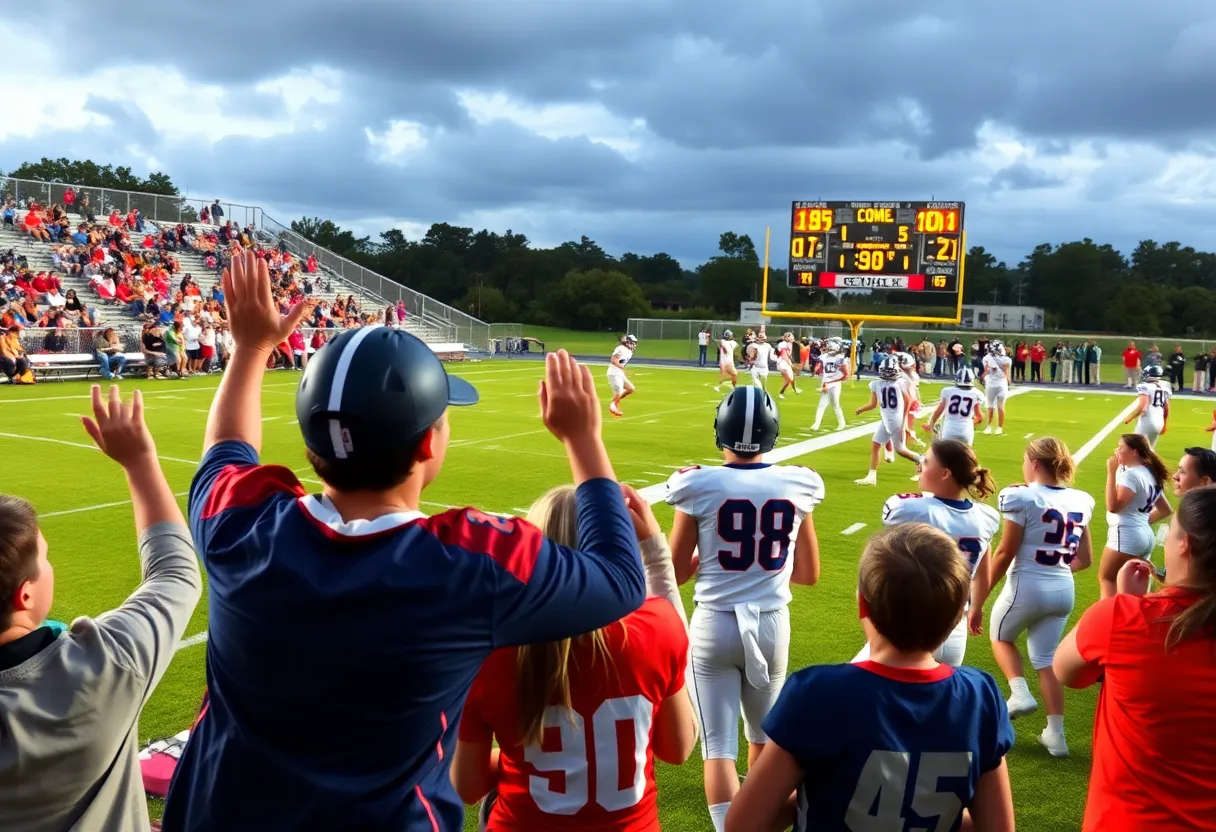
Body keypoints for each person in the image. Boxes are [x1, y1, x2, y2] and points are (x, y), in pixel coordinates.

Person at [161, 252, 648, 830]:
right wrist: (583, 440)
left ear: (311, 442)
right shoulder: (469, 567)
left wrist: (248, 349)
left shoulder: (241, 526)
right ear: (426, 447)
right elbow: (621, 578)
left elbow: (227, 452)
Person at [0, 385, 202, 831]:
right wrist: (140, 462)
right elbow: (175, 573)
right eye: (45, 557)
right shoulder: (106, 663)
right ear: (25, 595)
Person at [725, 524, 1015, 832]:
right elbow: (997, 827)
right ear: (959, 614)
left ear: (862, 603)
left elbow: (742, 824)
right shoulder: (980, 696)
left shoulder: (817, 694)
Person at [451, 483, 697, 831]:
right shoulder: (658, 625)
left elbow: (468, 785)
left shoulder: (492, 649)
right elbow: (678, 747)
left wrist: (534, 761)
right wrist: (657, 560)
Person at [665, 386, 825, 832]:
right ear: (773, 434)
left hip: (715, 624)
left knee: (719, 748)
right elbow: (808, 573)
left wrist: (709, 560)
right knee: (762, 737)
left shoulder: (697, 483)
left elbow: (676, 571)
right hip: (773, 623)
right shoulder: (799, 483)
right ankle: (760, 821)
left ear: (721, 432)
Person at [1054, 486, 1216, 832]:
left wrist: (1125, 604)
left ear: (1185, 544)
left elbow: (1067, 671)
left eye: (1170, 534)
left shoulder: (1123, 617)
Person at [974, 437, 1095, 757]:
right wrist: (1054, 565)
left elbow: (1004, 551)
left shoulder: (1018, 497)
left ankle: (1019, 693)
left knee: (1001, 637)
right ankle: (1056, 736)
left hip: (1027, 585)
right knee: (1045, 660)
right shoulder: (1082, 499)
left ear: (1035, 464)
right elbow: (1085, 559)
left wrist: (979, 597)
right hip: (1063, 588)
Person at [853, 440, 1000, 668]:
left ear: (944, 473)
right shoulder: (986, 517)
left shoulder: (911, 510)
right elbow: (983, 573)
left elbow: (885, 560)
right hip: (953, 629)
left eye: (926, 461)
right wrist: (977, 609)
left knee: (856, 691)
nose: (919, 465)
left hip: (909, 625)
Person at [1098, 434, 1172, 599]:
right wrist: (1141, 522)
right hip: (1144, 536)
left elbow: (1113, 507)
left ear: (1135, 452)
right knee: (1132, 590)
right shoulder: (1150, 473)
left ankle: (1109, 622)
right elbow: (1165, 509)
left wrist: (1111, 472)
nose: (1116, 451)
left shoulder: (1131, 475)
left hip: (1126, 536)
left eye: (1121, 447)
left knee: (1107, 579)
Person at [855, 356, 923, 485]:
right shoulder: (900, 382)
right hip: (889, 419)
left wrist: (903, 421)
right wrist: (862, 409)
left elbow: (873, 404)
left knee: (900, 450)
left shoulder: (877, 383)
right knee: (876, 445)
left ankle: (922, 459)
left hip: (893, 419)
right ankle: (871, 477)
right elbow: (909, 400)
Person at [924, 366, 985, 446]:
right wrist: (970, 423)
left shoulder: (947, 391)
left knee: (946, 456)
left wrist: (931, 424)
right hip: (966, 431)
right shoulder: (976, 393)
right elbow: (979, 417)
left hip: (949, 429)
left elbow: (939, 411)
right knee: (965, 456)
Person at [1125, 364, 1171, 448]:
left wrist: (1131, 417)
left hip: (1148, 421)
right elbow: (1166, 408)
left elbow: (1143, 407)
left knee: (1137, 449)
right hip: (1159, 422)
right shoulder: (1164, 387)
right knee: (1148, 450)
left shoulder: (1144, 386)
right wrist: (1164, 424)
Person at [810, 336, 850, 431]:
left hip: (834, 384)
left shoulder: (840, 358)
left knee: (835, 404)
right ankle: (816, 424)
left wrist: (833, 380)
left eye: (830, 345)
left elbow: (846, 374)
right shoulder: (824, 356)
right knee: (821, 405)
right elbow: (818, 365)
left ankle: (841, 422)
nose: (827, 347)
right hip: (826, 382)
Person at [980, 340, 1013, 435]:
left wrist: (1008, 382)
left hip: (997, 384)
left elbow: (1005, 372)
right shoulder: (988, 358)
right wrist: (1008, 383)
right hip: (995, 383)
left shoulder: (1005, 359)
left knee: (998, 407)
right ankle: (991, 427)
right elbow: (988, 371)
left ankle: (998, 427)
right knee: (991, 406)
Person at [607, 334, 638, 417]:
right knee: (618, 393)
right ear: (628, 342)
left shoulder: (629, 352)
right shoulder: (620, 348)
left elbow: (621, 362)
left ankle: (613, 403)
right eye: (633, 343)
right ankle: (613, 407)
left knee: (630, 389)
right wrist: (621, 368)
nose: (635, 344)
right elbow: (613, 360)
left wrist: (622, 370)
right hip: (614, 373)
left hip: (619, 373)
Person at [774, 333, 800, 399]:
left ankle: (795, 390)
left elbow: (788, 356)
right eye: (792, 337)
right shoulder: (783, 344)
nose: (793, 339)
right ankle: (781, 393)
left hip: (785, 363)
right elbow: (783, 354)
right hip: (782, 363)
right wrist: (791, 364)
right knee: (789, 379)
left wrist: (791, 363)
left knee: (792, 378)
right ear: (787, 338)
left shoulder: (789, 344)